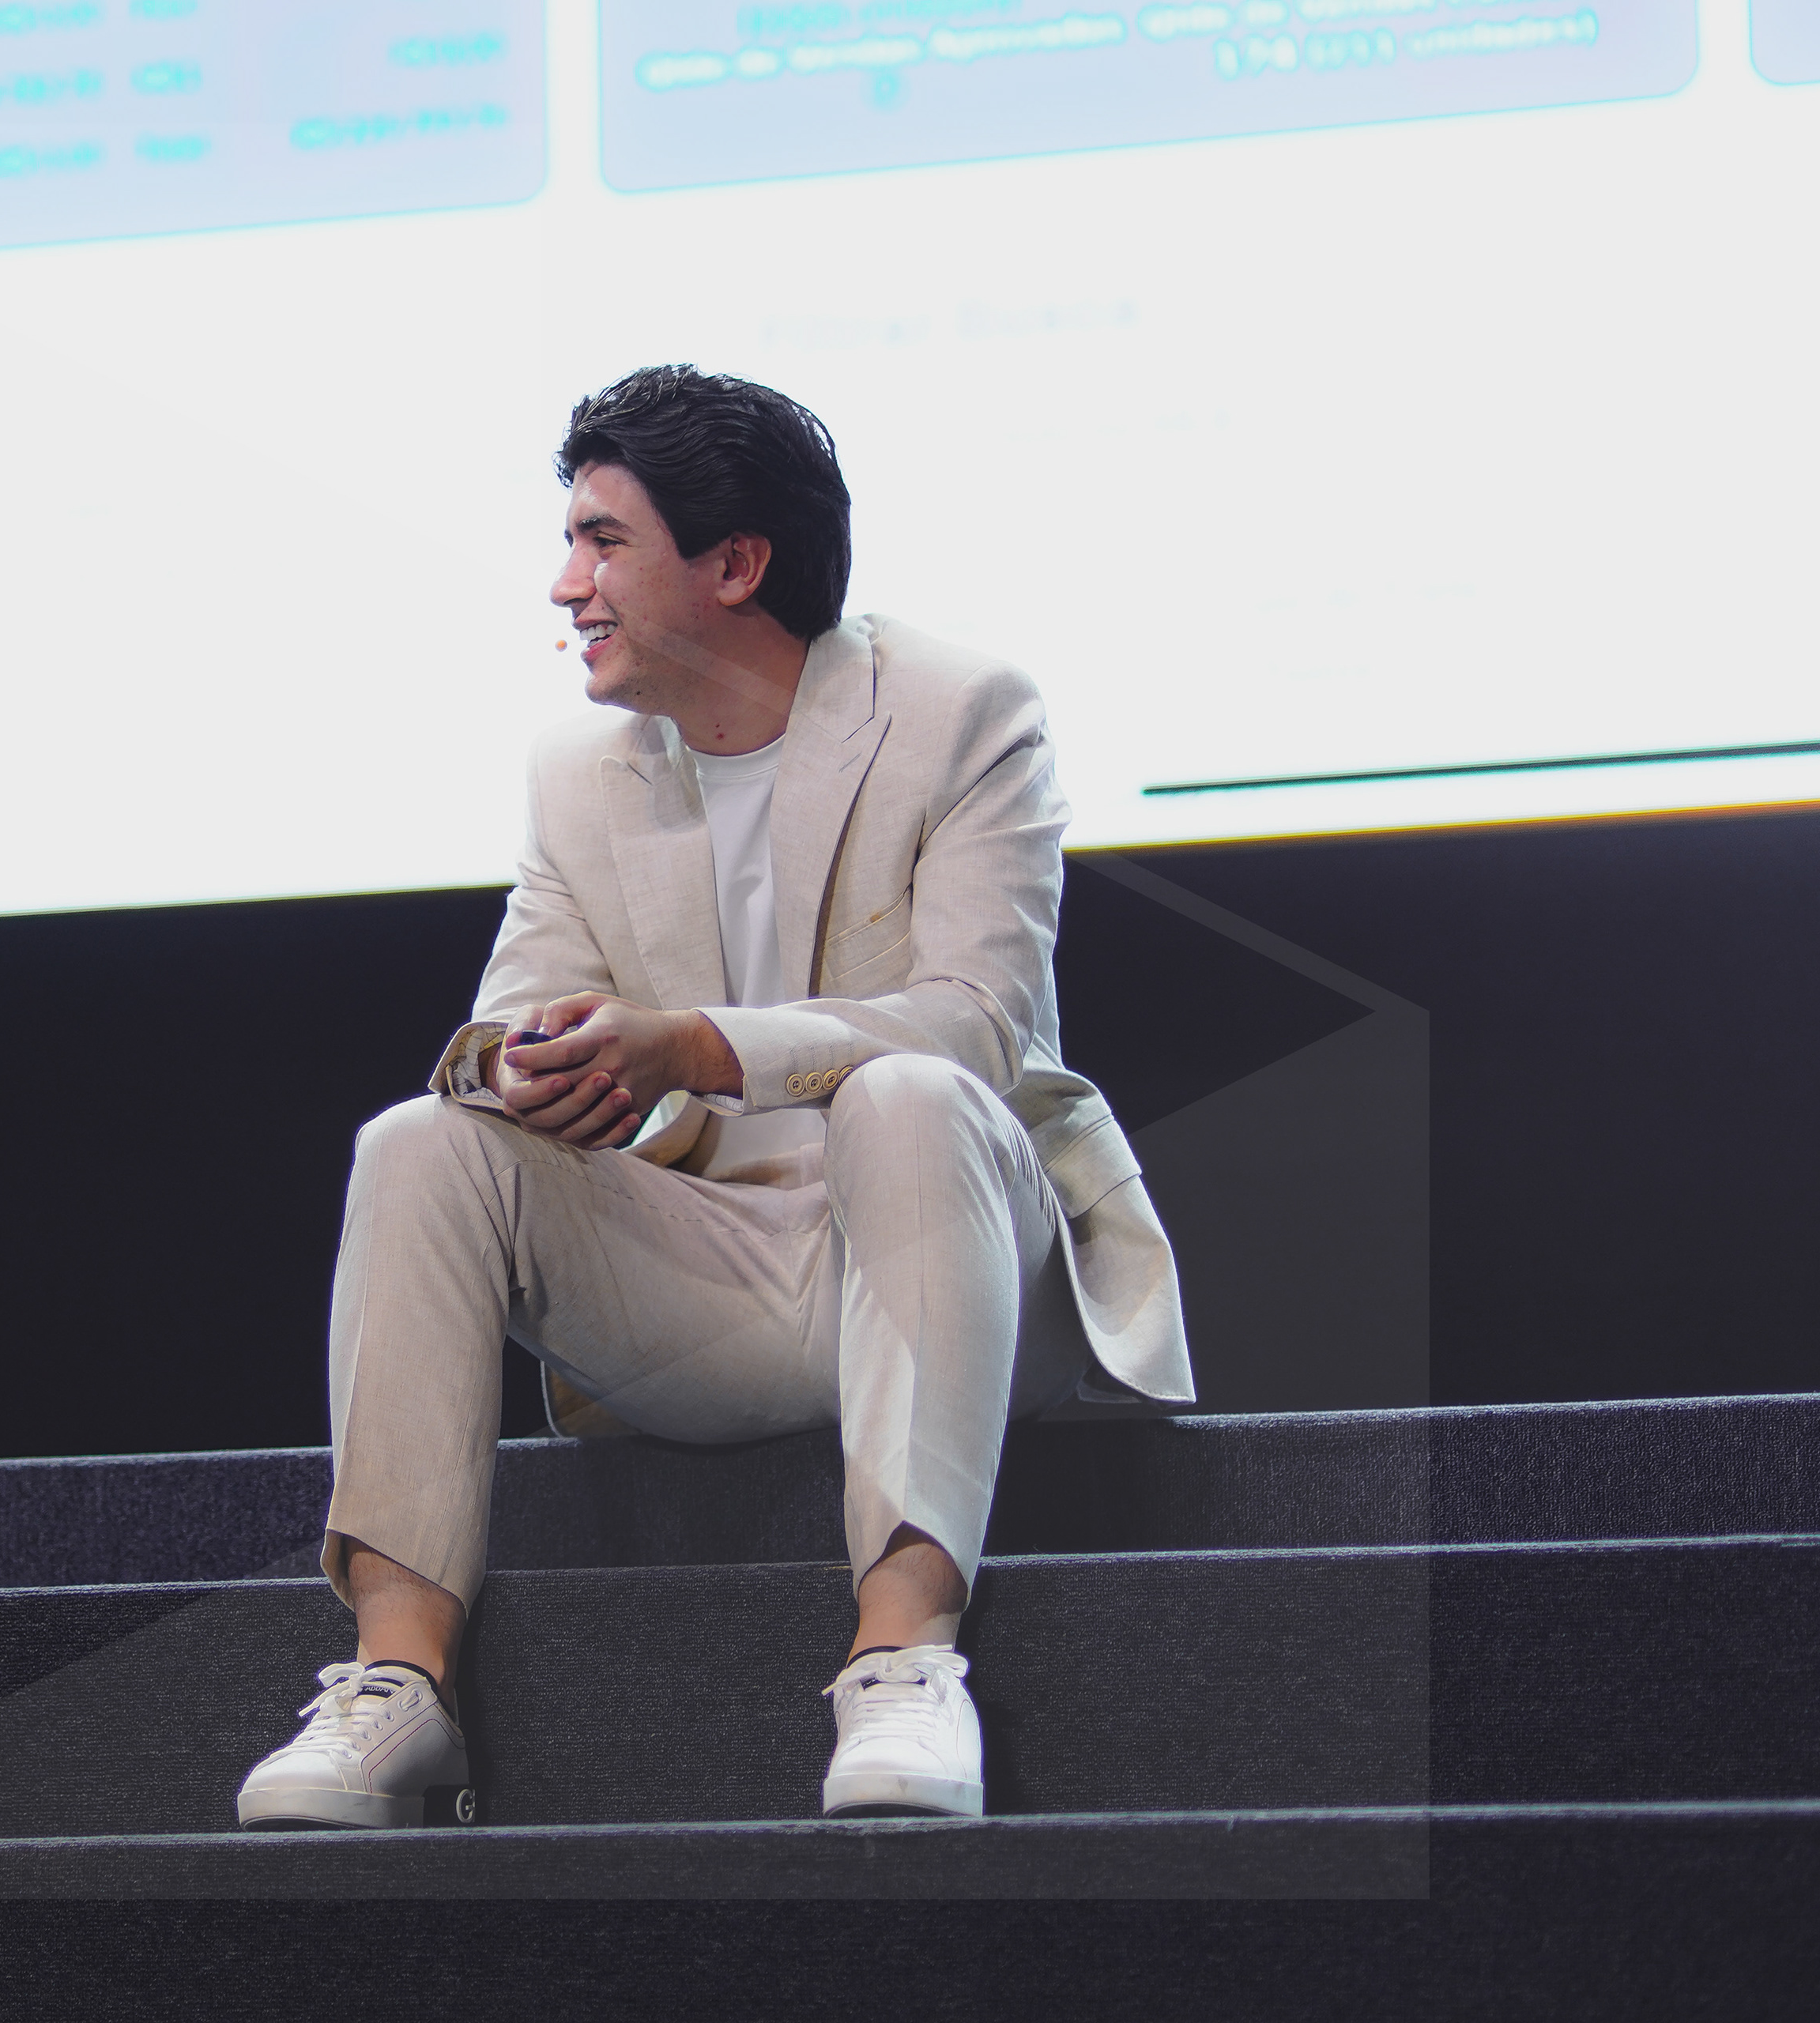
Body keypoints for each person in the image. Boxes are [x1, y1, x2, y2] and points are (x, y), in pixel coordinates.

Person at [235, 365, 1192, 1830]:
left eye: (603, 542)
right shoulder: (579, 772)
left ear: (735, 564)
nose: (566, 585)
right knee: (420, 1146)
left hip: (966, 1266)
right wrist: (530, 1065)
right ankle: (396, 1685)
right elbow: (496, 1028)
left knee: (910, 1096)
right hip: (722, 1283)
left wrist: (689, 1046)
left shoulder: (961, 713)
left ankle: (903, 1662)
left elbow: (977, 1025)